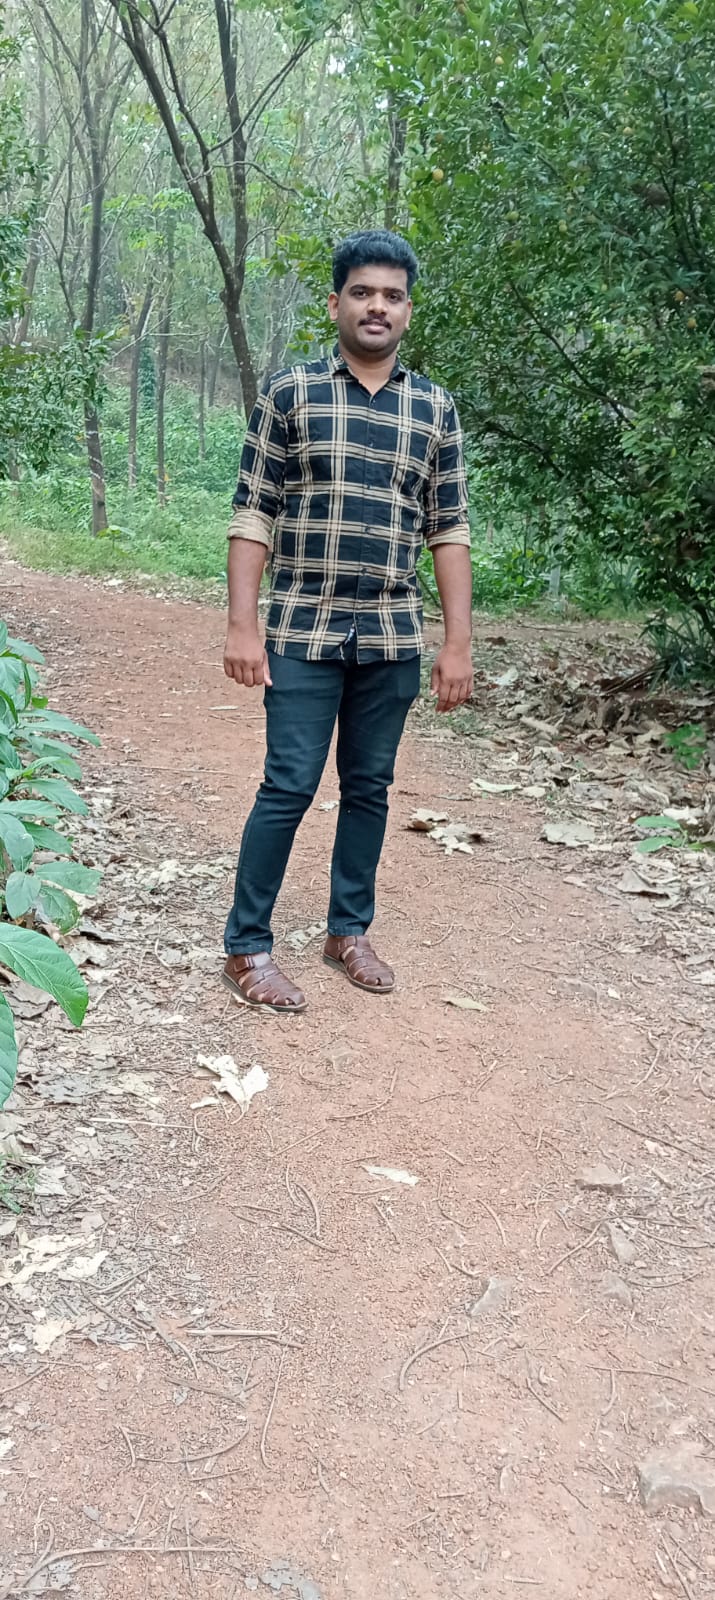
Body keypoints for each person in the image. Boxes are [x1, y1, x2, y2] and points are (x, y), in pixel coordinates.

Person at [222, 228, 473, 1013]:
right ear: (335, 303)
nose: (377, 307)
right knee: (288, 784)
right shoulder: (290, 394)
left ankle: (348, 931)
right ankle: (246, 946)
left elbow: (448, 529)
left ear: (407, 311)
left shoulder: (433, 408)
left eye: (392, 296)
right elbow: (253, 513)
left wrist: (457, 643)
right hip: (302, 628)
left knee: (369, 786)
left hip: (392, 635)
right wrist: (241, 625)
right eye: (362, 292)